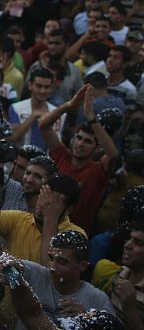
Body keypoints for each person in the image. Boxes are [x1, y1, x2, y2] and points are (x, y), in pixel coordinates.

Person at [4, 231, 114, 330]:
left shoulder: (97, 300)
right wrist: (8, 267)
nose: (52, 267)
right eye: (50, 258)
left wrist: (87, 321)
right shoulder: (38, 274)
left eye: (62, 261)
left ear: (83, 266)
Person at [39, 85, 119, 232]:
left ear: (97, 148)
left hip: (75, 235)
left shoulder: (98, 170)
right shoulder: (62, 155)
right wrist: (69, 105)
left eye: (88, 141)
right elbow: (44, 125)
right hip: (45, 228)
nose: (80, 144)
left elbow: (113, 154)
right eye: (79, 138)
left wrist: (90, 116)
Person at [8, 68, 62, 150]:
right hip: (20, 159)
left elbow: (56, 146)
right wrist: (33, 116)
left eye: (46, 87)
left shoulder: (57, 114)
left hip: (46, 160)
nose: (42, 91)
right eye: (39, 86)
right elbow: (14, 138)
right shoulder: (16, 108)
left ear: (51, 88)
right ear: (30, 85)